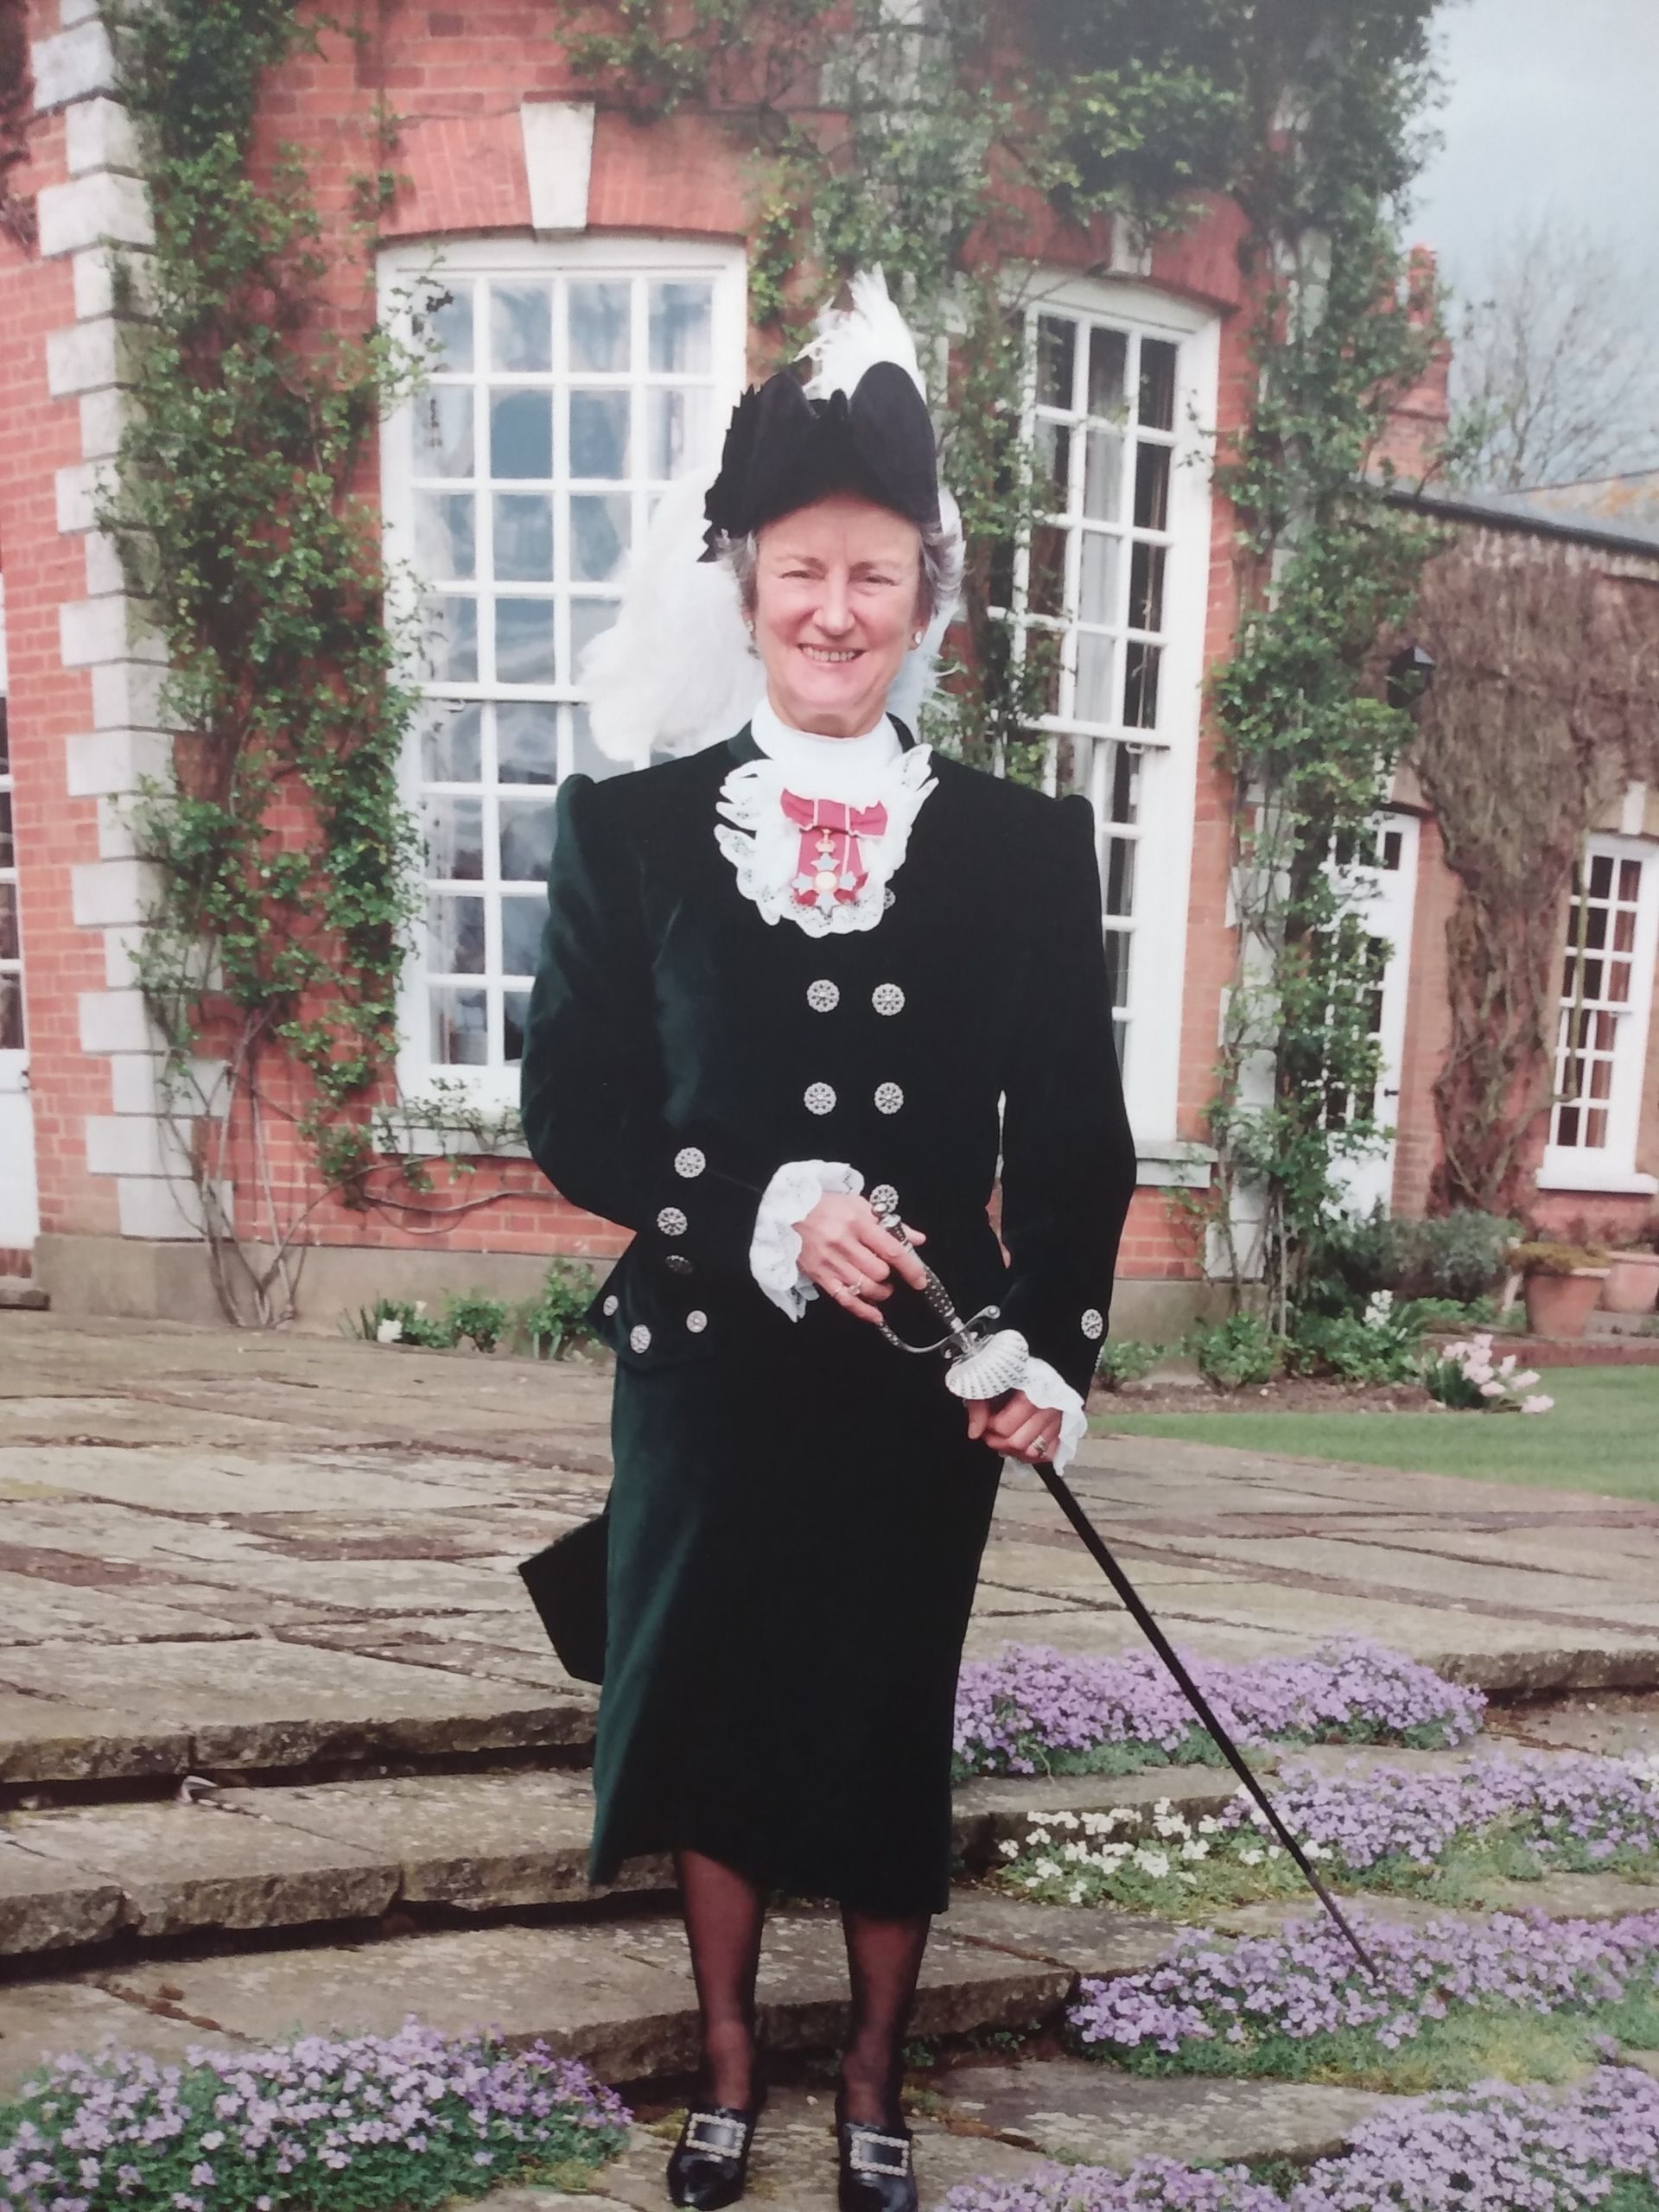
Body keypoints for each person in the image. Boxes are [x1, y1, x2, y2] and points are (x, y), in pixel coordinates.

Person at [521, 275, 1135, 2212]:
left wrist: (1044, 1347)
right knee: (702, 1694)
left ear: (927, 597)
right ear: (747, 579)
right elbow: (578, 1114)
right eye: (802, 568)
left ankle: (870, 2074)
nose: (835, 610)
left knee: (880, 1707)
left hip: (914, 1383)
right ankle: (726, 2064)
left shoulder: (1027, 844)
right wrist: (764, 1199)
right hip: (707, 1355)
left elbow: (1085, 1138)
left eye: (876, 573)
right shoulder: (627, 833)